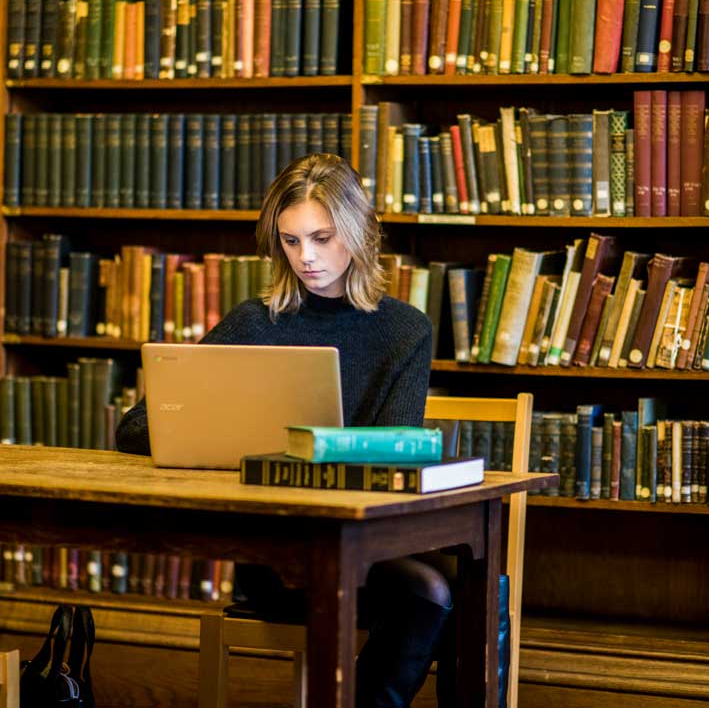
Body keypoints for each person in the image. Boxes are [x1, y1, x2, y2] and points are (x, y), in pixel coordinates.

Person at [116, 153, 457, 708]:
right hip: (279, 550)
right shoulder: (256, 321)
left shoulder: (405, 331)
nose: (307, 257)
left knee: (475, 588)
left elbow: (395, 452)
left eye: (322, 237)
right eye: (291, 241)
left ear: (358, 232)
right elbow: (135, 429)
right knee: (437, 591)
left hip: (364, 542)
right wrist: (246, 440)